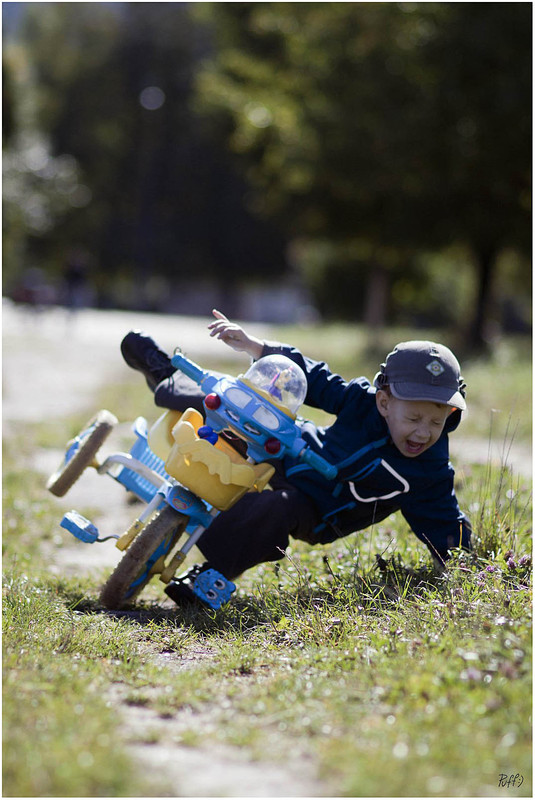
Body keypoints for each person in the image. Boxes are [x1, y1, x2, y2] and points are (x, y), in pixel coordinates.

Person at [121, 309, 471, 607]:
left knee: (273, 511)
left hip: (315, 510)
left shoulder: (429, 471)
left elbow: (443, 520)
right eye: (413, 419)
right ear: (384, 402)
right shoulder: (361, 403)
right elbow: (316, 379)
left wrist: (461, 564)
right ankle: (167, 376)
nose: (424, 432)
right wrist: (258, 348)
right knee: (239, 409)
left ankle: (212, 573)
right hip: (295, 454)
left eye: (436, 422)